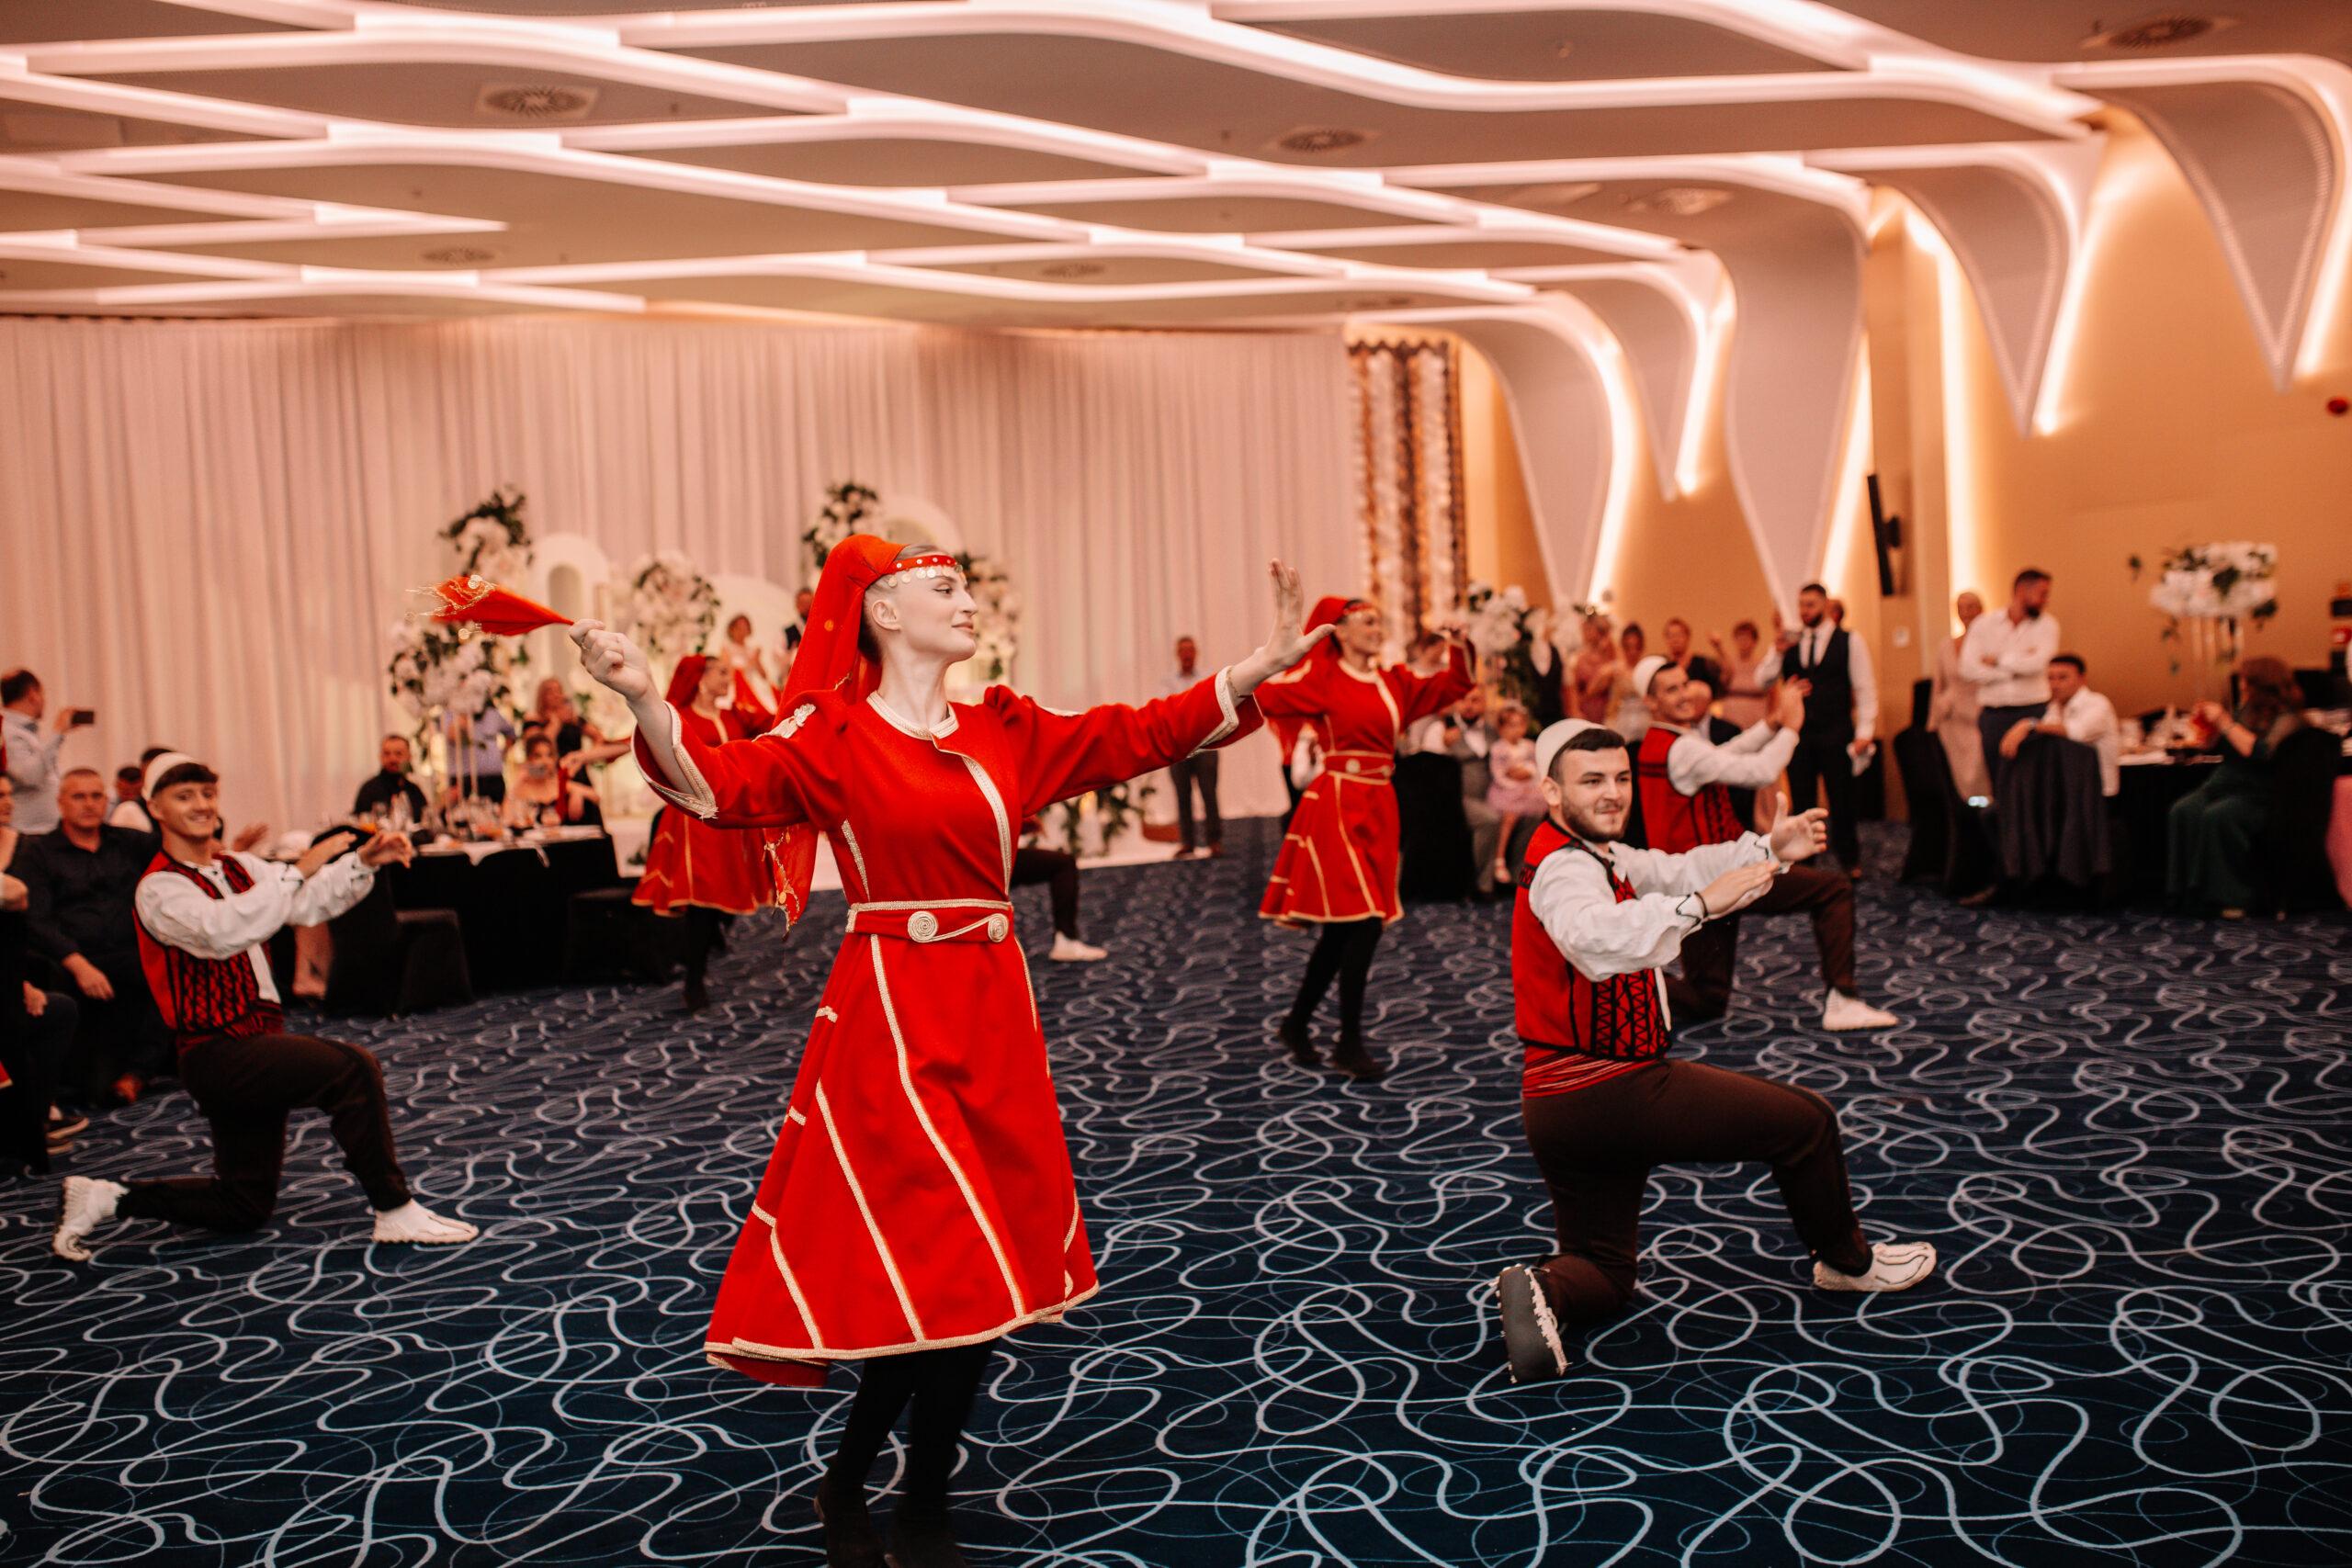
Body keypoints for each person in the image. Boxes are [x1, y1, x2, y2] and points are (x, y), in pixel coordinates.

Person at [572, 536, 1310, 1568]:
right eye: (944, 588)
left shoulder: (1004, 726)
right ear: (881, 611)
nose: (967, 603)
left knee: (977, 1274)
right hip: (890, 1020)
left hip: (993, 1018)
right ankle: (870, 1489)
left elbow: (1136, 734)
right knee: (952, 1260)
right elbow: (718, 787)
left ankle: (906, 1493)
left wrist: (1258, 664)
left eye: (966, 587)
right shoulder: (830, 732)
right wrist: (647, 700)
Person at [1492, 721, 1937, 1382]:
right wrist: (1699, 907)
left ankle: (1542, 1288)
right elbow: (1592, 936)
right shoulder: (1564, 868)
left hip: (1555, 1107)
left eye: (1620, 778)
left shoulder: (1596, 854)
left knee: (1606, 1271)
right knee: (1806, 1121)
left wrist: (1769, 850)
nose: (1613, 793)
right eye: (1591, 781)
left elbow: (1677, 867)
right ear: (1552, 791)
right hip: (1614, 1089)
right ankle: (1848, 1263)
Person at [51, 756, 476, 1261]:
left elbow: (305, 903)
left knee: (243, 1203)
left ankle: (106, 1197)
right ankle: (394, 1208)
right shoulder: (159, 887)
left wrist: (363, 862)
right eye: (185, 796)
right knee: (352, 1069)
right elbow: (220, 931)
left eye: (207, 793)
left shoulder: (239, 867)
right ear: (154, 808)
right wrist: (298, 869)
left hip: (255, 1039)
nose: (201, 805)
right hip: (215, 1051)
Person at [1255, 598, 1472, 1082]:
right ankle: (1348, 1042)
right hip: (1336, 806)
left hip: (1380, 806)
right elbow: (1263, 697)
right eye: (1368, 621)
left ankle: (1296, 1023)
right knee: (1366, 922)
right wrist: (1270, 659)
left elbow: (1454, 686)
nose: (1378, 627)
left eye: (1379, 620)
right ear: (1341, 631)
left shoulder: (1395, 682)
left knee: (1342, 929)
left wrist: (1458, 646)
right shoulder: (1322, 679)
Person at [1632, 659, 1900, 1032]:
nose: (1685, 694)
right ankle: (1843, 1000)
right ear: (1650, 701)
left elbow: (1724, 754)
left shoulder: (1660, 742)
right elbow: (1760, 772)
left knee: (1707, 997)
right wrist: (1791, 729)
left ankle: (1626, 985)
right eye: (1671, 689)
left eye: (1685, 684)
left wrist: (1772, 724)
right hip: (1723, 873)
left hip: (1693, 880)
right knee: (1834, 890)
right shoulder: (1682, 748)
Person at [14, 768, 176, 1105]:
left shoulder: (129, 842)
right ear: (61, 803)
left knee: (174, 966)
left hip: (132, 951)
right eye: (79, 796)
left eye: (96, 795)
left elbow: (177, 848)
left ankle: (137, 1074)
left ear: (106, 800)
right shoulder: (39, 853)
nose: (89, 804)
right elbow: (37, 921)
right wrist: (79, 965)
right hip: (73, 959)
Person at [630, 655, 773, 1013]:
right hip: (696, 822)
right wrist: (591, 756)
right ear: (701, 677)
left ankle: (704, 949)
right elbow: (641, 736)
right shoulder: (680, 717)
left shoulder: (734, 716)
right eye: (722, 672)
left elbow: (777, 720)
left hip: (733, 819)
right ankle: (694, 979)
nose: (729, 678)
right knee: (702, 900)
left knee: (728, 900)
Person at [2167, 658, 2305, 918]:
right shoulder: (2246, 711)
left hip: (2258, 793)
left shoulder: (2288, 719)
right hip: (2224, 785)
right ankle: (2190, 893)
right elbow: (2222, 746)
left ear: (2262, 684)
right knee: (2183, 810)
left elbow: (2261, 751)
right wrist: (2209, 733)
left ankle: (2232, 897)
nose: (2241, 686)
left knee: (2219, 815)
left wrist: (2225, 722)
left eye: (2245, 682)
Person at [1756, 582, 1876, 878]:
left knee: (1842, 799)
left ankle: (1849, 859)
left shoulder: (1850, 640)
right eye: (1801, 605)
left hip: (1837, 731)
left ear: (1825, 606)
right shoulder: (1790, 642)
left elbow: (1865, 686)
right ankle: (1805, 863)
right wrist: (1776, 651)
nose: (1804, 611)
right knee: (1802, 799)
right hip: (1799, 736)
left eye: (1810, 605)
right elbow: (1762, 680)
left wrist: (1865, 730)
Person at [1962, 569, 2059, 792]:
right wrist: (2016, 667)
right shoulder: (1984, 625)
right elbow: (1968, 669)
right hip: (1994, 716)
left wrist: (1996, 661)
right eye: (2042, 594)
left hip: (2033, 712)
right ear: (2021, 590)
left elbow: (2039, 664)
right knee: (2000, 782)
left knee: (2037, 782)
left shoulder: (2047, 625)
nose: (2046, 600)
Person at [1414, 687, 1503, 897]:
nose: (1469, 706)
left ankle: (1516, 881)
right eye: (1464, 700)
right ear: (1456, 702)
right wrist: (1445, 746)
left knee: (1528, 813)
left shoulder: (1491, 731)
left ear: (1484, 704)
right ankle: (1476, 883)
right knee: (1490, 819)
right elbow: (1428, 770)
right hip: (1455, 798)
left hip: (1491, 794)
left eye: (1475, 700)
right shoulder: (1441, 729)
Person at [1999, 655, 2119, 800]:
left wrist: (2029, 725)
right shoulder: (2055, 707)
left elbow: (2077, 733)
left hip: (2098, 792)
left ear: (2082, 679)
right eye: (2050, 678)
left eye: (2063, 678)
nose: (2055, 684)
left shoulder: (2098, 704)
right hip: (2068, 791)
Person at [4, 668, 93, 836]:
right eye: (43, 694)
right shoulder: (7, 731)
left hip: (42, 831)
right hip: (28, 833)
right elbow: (31, 776)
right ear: (32, 695)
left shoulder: (22, 732)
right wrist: (58, 731)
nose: (44, 701)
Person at [1928, 591, 1993, 806]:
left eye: (1970, 607)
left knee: (1978, 768)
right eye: (1960, 608)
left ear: (1981, 610)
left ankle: (1983, 808)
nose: (1965, 613)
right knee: (1956, 771)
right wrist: (1933, 719)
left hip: (1980, 713)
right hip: (1952, 719)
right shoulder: (1946, 645)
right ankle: (1964, 811)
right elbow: (1939, 683)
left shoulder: (1991, 643)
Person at [1162, 636, 1223, 859]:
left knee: (1209, 793)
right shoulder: (1167, 682)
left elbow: (1213, 706)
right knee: (1182, 795)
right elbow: (1165, 711)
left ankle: (1214, 840)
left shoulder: (1208, 677)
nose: (1187, 654)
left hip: (1206, 744)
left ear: (1196, 652)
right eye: (1183, 650)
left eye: (1190, 649)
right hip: (1179, 748)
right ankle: (1188, 841)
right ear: (1177, 654)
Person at [1012, 821, 1107, 962]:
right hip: (990, 861)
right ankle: (1066, 940)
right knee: (1064, 864)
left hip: (981, 864)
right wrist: (1027, 822)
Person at [1485, 702, 1545, 888]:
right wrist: (1515, 783)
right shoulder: (1498, 748)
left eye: (1520, 724)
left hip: (1528, 790)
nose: (1517, 729)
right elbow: (1499, 774)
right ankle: (1499, 859)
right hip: (1506, 792)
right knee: (1509, 817)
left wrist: (1527, 775)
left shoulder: (1529, 746)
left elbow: (1535, 768)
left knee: (1537, 816)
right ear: (1501, 728)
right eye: (1512, 725)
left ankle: (1527, 865)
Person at [503, 733, 603, 831]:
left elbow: (596, 797)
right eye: (538, 756)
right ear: (529, 760)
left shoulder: (558, 783)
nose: (545, 761)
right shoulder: (522, 789)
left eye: (549, 755)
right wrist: (517, 780)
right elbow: (507, 819)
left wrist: (578, 792)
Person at [443, 705, 516, 807]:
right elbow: (453, 736)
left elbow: (511, 733)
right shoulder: (450, 713)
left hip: (493, 779)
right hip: (463, 780)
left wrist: (501, 754)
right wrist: (464, 715)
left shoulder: (491, 712)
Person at [352, 734, 429, 826]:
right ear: (380, 756)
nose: (392, 759)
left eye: (398, 753)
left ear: (409, 756)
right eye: (387, 753)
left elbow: (427, 823)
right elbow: (359, 825)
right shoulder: (369, 790)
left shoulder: (414, 791)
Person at [720, 613, 779, 732]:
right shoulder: (727, 648)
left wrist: (757, 660)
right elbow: (730, 673)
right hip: (735, 689)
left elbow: (764, 676)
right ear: (732, 629)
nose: (742, 631)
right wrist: (752, 661)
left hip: (752, 688)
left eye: (745, 627)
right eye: (739, 627)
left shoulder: (752, 650)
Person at [1710, 622, 1770, 730]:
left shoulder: (1763, 665)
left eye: (1747, 638)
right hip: (1731, 717)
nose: (1743, 642)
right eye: (1740, 638)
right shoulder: (1728, 663)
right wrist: (1719, 648)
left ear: (1754, 641)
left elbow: (1772, 694)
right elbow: (1721, 682)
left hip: (1756, 717)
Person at [1567, 615, 1619, 725]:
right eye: (1584, 630)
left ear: (1599, 632)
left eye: (1589, 630)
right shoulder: (1580, 658)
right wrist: (1575, 711)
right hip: (1585, 710)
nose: (1585, 634)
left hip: (1606, 712)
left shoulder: (1610, 656)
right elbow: (1574, 689)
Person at [1660, 618, 1720, 694]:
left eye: (1679, 635)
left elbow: (1724, 676)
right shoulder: (1661, 664)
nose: (1675, 640)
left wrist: (1718, 648)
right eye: (1671, 636)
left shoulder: (1701, 663)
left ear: (1688, 637)